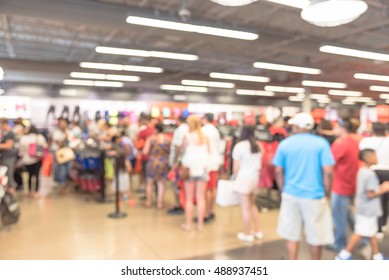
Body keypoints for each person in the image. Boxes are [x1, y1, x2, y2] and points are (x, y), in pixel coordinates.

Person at [272, 113, 335, 260]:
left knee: (291, 234)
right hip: (315, 196)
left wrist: (283, 189)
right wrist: (328, 192)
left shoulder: (285, 144)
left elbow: (278, 171)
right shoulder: (321, 144)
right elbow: (328, 172)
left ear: (296, 126)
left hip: (291, 194)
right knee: (316, 235)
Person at [336, 149, 389, 260]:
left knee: (370, 232)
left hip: (365, 208)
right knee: (360, 232)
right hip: (367, 209)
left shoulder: (363, 171)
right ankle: (344, 255)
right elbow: (370, 194)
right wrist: (383, 189)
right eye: (374, 155)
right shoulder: (369, 174)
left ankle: (376, 255)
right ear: (368, 158)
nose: (377, 158)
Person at [329, 118, 360, 251]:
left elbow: (329, 166)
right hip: (350, 185)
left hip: (340, 186)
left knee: (339, 217)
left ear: (343, 128)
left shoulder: (340, 144)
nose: (334, 129)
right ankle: (362, 238)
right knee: (347, 214)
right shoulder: (354, 142)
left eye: (336, 126)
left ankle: (339, 243)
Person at [232, 126, 263, 242]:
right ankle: (258, 231)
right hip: (255, 177)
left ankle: (247, 233)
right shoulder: (258, 145)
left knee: (245, 208)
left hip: (244, 178)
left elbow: (236, 168)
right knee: (252, 205)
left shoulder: (239, 146)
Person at [359, 122, 389, 238]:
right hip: (387, 172)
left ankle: (374, 227)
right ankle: (382, 226)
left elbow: (361, 155)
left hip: (372, 171)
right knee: (385, 200)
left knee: (372, 200)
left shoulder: (366, 141)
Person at [181, 115, 210, 231]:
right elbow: (209, 153)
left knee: (189, 198)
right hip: (202, 168)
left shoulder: (187, 136)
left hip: (190, 169)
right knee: (201, 197)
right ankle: (200, 224)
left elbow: (184, 152)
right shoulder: (205, 137)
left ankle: (188, 224)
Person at [143, 122, 170, 209]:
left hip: (152, 161)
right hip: (163, 162)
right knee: (161, 183)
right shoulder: (168, 139)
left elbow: (145, 151)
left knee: (149, 183)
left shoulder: (151, 138)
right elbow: (170, 151)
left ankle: (148, 202)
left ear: (156, 129)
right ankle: (159, 204)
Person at [201, 113, 222, 222]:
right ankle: (211, 210)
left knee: (207, 189)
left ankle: (205, 213)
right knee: (213, 188)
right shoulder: (215, 130)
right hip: (215, 162)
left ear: (205, 119)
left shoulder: (204, 130)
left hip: (208, 163)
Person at [19, 125, 48, 198]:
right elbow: (45, 146)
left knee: (29, 175)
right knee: (37, 175)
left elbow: (21, 150)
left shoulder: (24, 138)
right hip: (37, 159)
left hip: (26, 160)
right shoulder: (39, 137)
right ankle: (36, 192)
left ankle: (29, 191)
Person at [168, 116, 189, 215]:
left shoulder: (179, 130)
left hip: (179, 162)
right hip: (185, 162)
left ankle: (178, 205)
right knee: (183, 185)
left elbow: (177, 146)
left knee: (175, 184)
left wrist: (175, 162)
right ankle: (183, 204)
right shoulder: (189, 129)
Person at [51, 117, 70, 193]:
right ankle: (60, 182)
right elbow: (58, 143)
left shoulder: (68, 131)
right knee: (59, 167)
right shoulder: (56, 132)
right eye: (61, 123)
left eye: (64, 123)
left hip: (67, 152)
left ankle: (62, 182)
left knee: (65, 168)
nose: (63, 125)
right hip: (58, 152)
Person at [136, 114, 155, 192]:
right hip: (154, 157)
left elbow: (138, 144)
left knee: (147, 176)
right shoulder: (153, 130)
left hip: (146, 157)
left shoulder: (143, 131)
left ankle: (147, 193)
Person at [0, 118, 18, 191]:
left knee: (9, 176)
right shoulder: (5, 133)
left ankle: (11, 195)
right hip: (5, 158)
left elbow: (9, 146)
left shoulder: (10, 133)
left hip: (9, 158)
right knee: (6, 176)